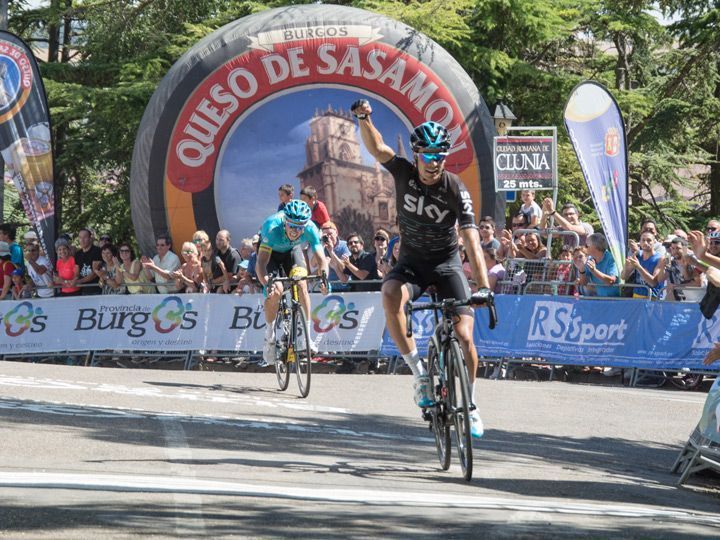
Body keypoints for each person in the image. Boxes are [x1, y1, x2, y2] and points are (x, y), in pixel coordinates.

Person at [351, 98, 492, 438]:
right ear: (416, 156)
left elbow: (472, 240)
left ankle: (470, 405)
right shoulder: (403, 172)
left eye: (440, 156)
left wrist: (483, 286)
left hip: (447, 264)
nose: (434, 163)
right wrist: (363, 118)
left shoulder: (455, 188)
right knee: (389, 292)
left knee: (463, 335)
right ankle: (419, 373)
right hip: (412, 262)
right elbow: (378, 148)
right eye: (428, 156)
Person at [255, 200, 330, 365]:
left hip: (292, 251)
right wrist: (266, 282)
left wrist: (324, 278)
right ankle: (270, 337)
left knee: (302, 282)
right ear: (285, 222)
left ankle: (307, 338)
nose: (296, 231)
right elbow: (261, 263)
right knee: (276, 290)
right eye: (292, 226)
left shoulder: (310, 228)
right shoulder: (271, 227)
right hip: (270, 254)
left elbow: (321, 259)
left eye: (300, 227)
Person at [622, 231, 664, 299]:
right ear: (640, 242)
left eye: (649, 240)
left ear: (654, 242)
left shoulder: (659, 258)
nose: (645, 243)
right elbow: (623, 277)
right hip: (637, 296)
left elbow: (653, 283)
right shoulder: (637, 255)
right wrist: (626, 268)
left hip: (652, 297)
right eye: (643, 240)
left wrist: (638, 267)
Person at [576, 233, 620, 297]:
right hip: (598, 299)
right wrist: (581, 269)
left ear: (595, 247)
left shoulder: (611, 258)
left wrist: (594, 271)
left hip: (613, 300)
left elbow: (611, 281)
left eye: (586, 245)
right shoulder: (590, 259)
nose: (584, 247)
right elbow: (584, 283)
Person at [74, 228, 103, 295]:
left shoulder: (97, 251)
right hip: (83, 290)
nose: (82, 240)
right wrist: (74, 280)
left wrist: (79, 281)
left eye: (85, 237)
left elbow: (94, 273)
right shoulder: (77, 254)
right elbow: (77, 272)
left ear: (90, 238)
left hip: (96, 290)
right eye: (80, 237)